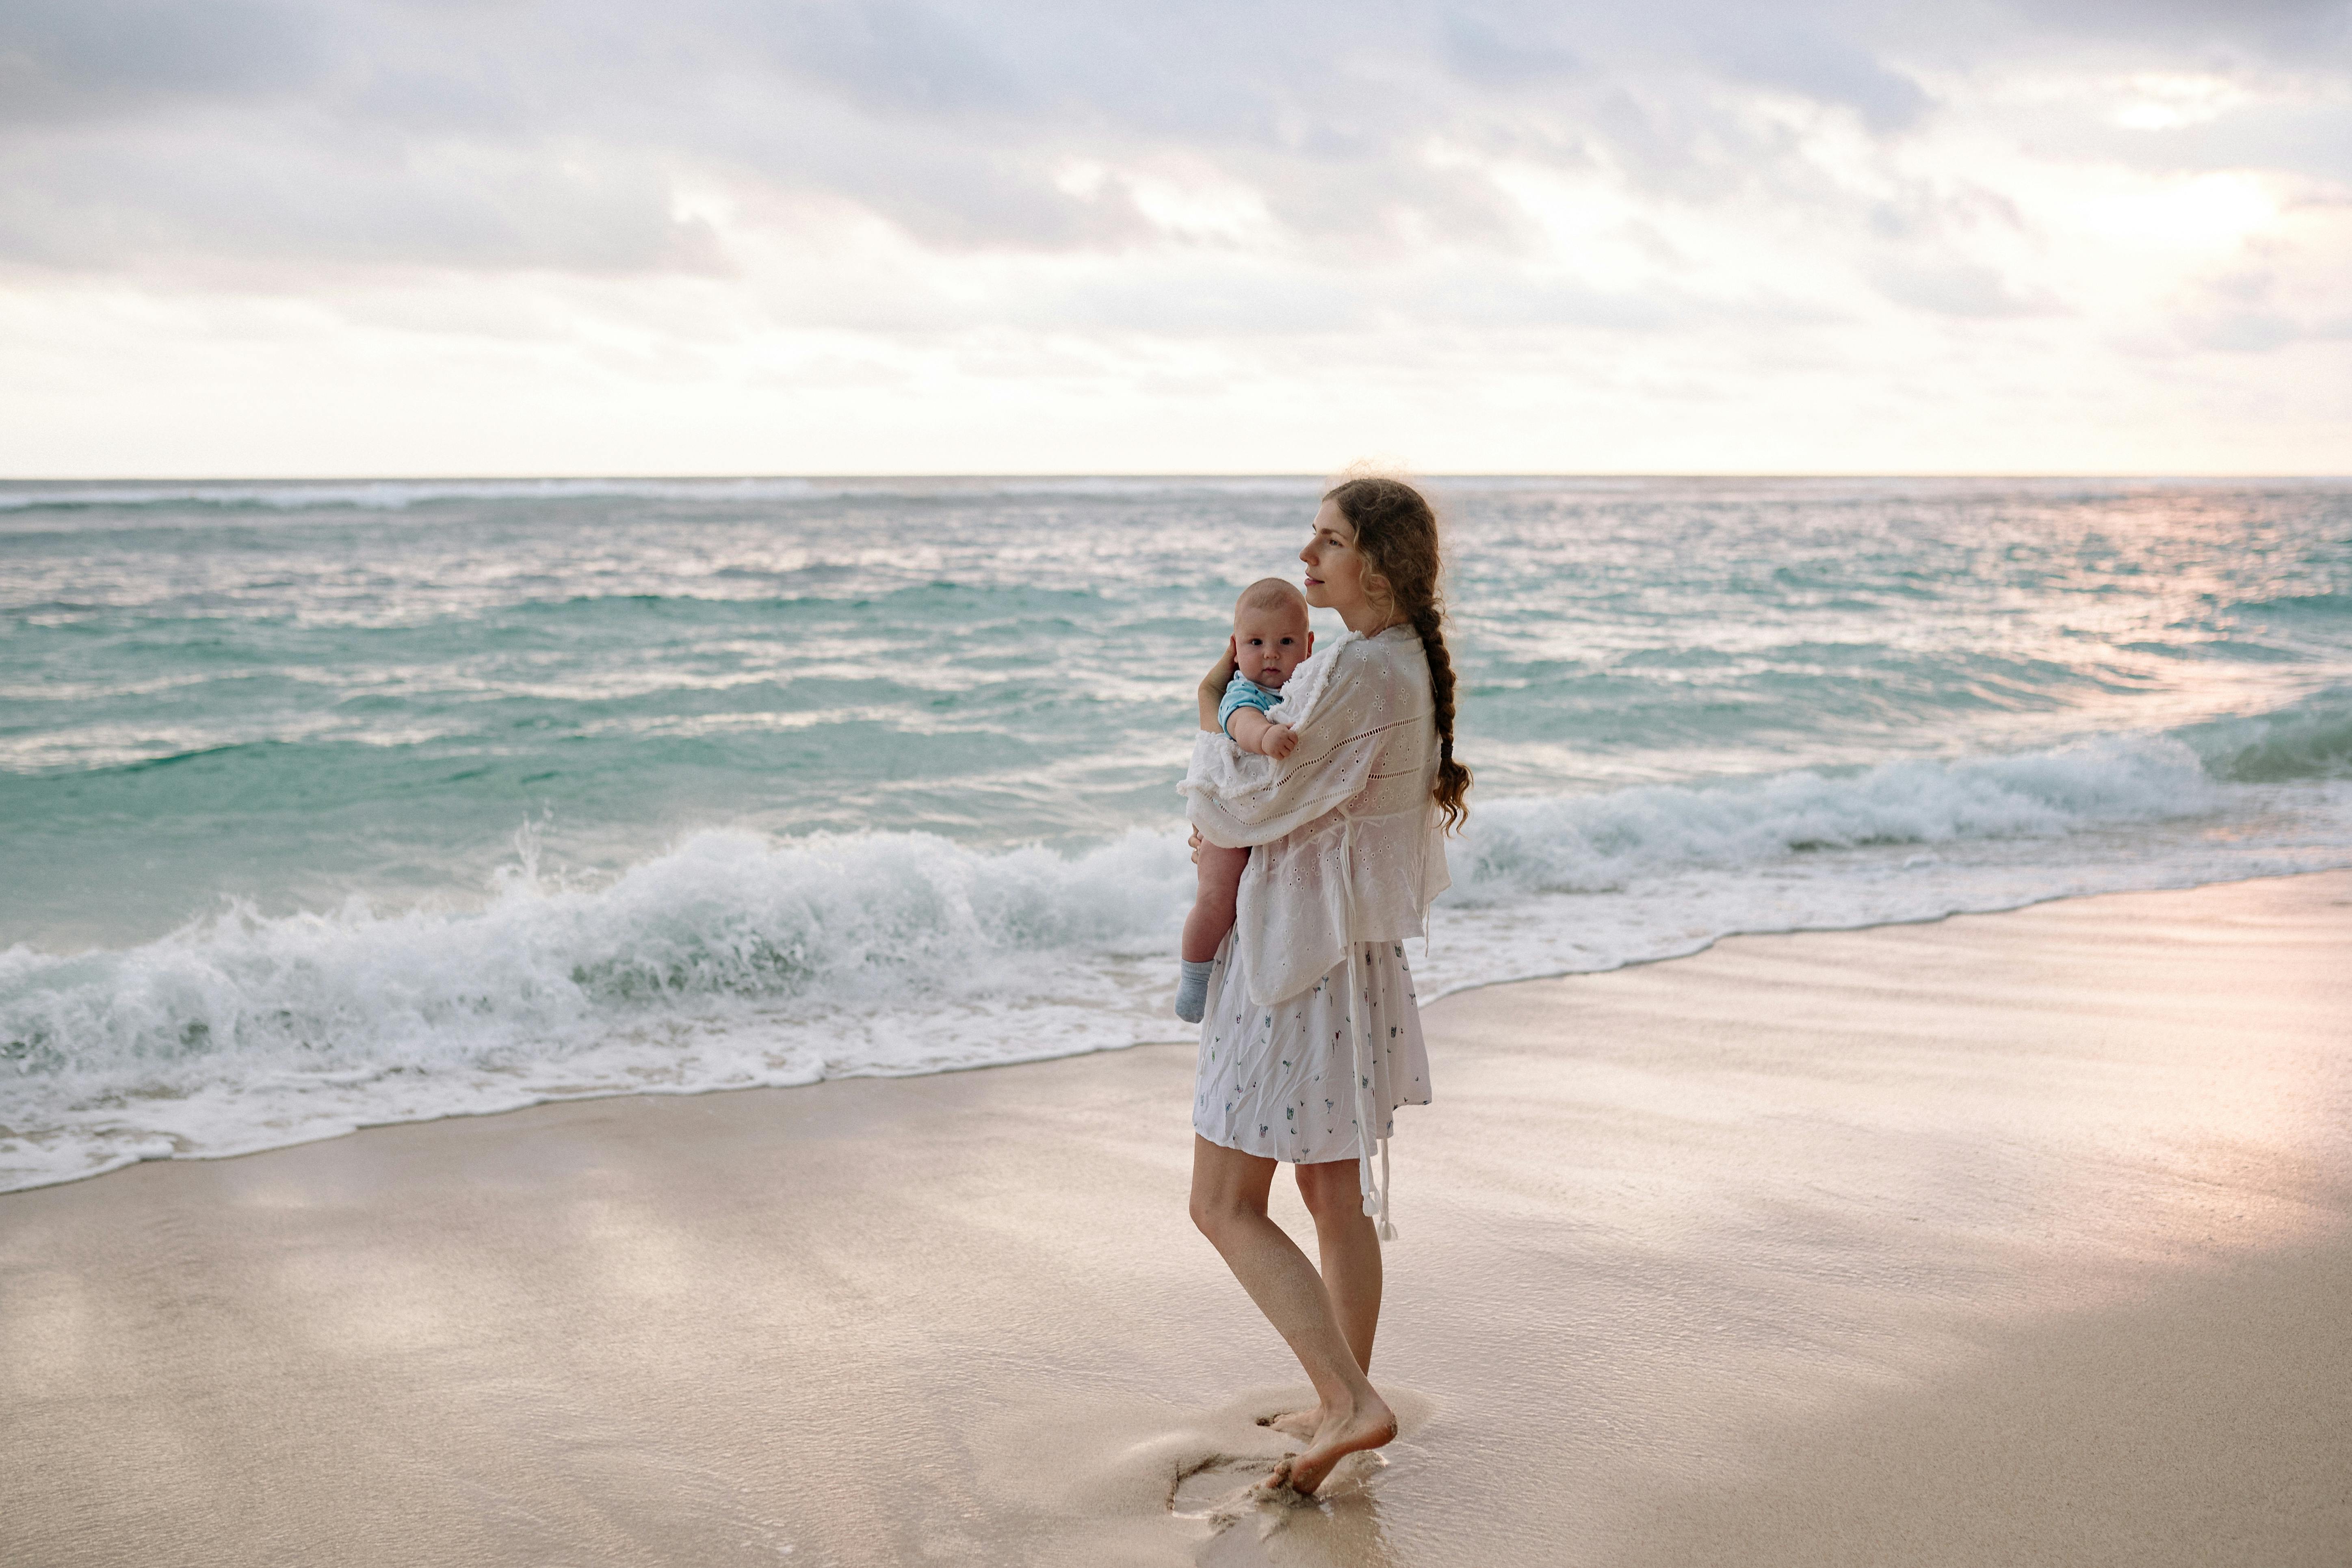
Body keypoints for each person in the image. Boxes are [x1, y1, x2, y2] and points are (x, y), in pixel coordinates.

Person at [1176, 474, 1470, 1497]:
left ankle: (1350, 1401)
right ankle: (1341, 1395)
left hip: (1295, 960)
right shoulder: (1394, 666)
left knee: (1221, 1202)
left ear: (1376, 567)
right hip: (1348, 958)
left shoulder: (1357, 673)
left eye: (1329, 540)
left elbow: (1256, 789)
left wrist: (1210, 706)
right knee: (1329, 1194)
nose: (1308, 558)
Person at [1173, 578, 1315, 1024]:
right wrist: (1266, 736)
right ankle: (1194, 977)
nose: (1271, 653)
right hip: (1229, 815)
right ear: (1235, 647)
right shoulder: (1243, 691)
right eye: (1256, 642)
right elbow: (1240, 723)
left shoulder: (1307, 688)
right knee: (1216, 896)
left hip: (1272, 818)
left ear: (1309, 646)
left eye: (1286, 641)